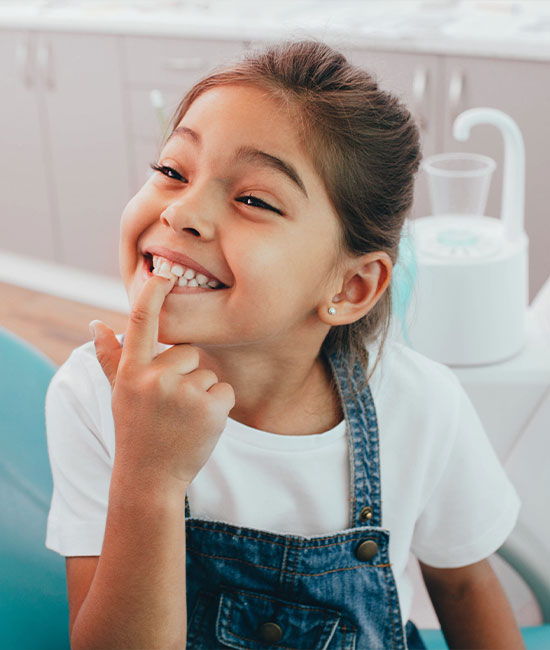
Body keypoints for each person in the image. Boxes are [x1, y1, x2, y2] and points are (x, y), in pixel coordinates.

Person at [45, 40, 524, 649]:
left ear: (350, 287)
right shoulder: (92, 395)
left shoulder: (424, 405)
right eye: (172, 170)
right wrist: (148, 477)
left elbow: (463, 588)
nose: (182, 212)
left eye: (253, 199)